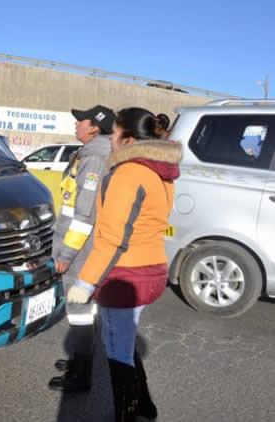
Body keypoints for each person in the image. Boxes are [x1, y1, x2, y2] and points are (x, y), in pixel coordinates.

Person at [67, 107, 180, 421]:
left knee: (117, 353)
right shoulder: (162, 172)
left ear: (128, 139)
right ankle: (145, 406)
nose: (110, 140)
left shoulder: (127, 173)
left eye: (114, 134)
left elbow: (112, 239)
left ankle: (127, 414)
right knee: (125, 344)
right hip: (153, 268)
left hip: (126, 275)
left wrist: (85, 282)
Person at [48, 105, 115, 393]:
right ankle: (80, 360)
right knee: (84, 309)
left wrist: (65, 255)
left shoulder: (95, 160)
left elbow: (83, 215)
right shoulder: (91, 154)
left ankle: (82, 374)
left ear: (95, 127)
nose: (76, 124)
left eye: (81, 120)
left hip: (80, 250)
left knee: (79, 310)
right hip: (83, 247)